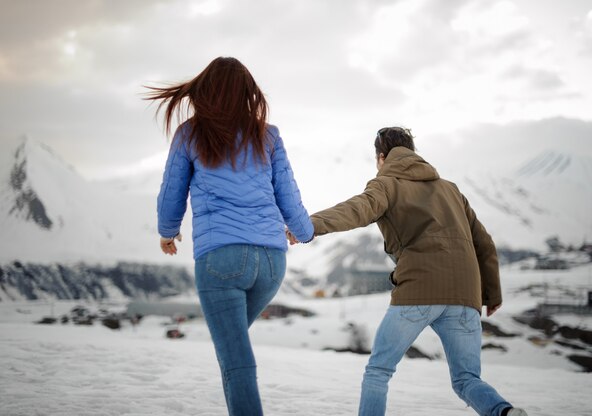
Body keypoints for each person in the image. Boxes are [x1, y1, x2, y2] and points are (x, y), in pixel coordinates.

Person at [288, 127, 526, 416]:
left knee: (378, 371)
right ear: (413, 151)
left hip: (419, 289)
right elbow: (484, 244)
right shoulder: (451, 190)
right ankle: (505, 412)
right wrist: (491, 294)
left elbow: (356, 210)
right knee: (466, 379)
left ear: (381, 157)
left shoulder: (387, 183)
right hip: (465, 297)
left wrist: (309, 226)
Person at [146, 57, 314, 416]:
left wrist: (167, 232)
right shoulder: (267, 134)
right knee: (231, 349)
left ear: (205, 90)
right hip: (271, 263)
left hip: (221, 260)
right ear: (247, 92)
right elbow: (288, 193)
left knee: (236, 359)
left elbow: (172, 191)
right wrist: (302, 231)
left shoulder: (191, 133)